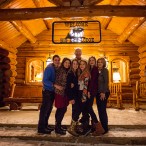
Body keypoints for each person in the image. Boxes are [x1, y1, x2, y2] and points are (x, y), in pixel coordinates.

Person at [38, 55, 60, 134]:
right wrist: (54, 85)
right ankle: (41, 128)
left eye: (58, 60)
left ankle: (45, 125)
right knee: (44, 110)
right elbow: (45, 81)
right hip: (47, 91)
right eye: (55, 60)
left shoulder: (56, 68)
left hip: (52, 91)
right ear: (53, 60)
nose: (57, 61)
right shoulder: (49, 68)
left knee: (49, 109)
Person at [87, 56, 105, 136]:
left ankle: (98, 127)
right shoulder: (90, 69)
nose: (91, 61)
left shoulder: (94, 69)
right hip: (90, 91)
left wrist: (89, 91)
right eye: (90, 60)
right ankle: (94, 126)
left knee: (89, 107)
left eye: (93, 60)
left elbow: (93, 81)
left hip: (92, 91)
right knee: (89, 107)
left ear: (95, 62)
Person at [54, 57, 71, 135]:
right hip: (60, 93)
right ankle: (57, 127)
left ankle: (58, 125)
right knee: (61, 109)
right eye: (66, 63)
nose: (67, 64)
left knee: (63, 109)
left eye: (68, 63)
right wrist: (57, 86)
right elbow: (57, 81)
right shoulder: (60, 71)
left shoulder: (67, 70)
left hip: (65, 93)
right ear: (63, 63)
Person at [76, 59, 91, 135]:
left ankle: (86, 129)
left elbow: (86, 86)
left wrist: (84, 97)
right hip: (80, 93)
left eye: (83, 64)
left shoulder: (86, 74)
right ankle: (85, 127)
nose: (81, 65)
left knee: (85, 112)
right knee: (84, 111)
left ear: (86, 66)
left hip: (83, 94)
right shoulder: (81, 73)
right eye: (80, 64)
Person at [96, 57, 110, 134]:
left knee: (102, 110)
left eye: (101, 62)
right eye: (98, 62)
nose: (99, 63)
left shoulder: (105, 70)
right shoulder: (97, 71)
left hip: (103, 92)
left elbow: (106, 82)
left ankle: (105, 128)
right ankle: (102, 127)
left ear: (103, 63)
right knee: (100, 110)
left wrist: (103, 92)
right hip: (98, 93)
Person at [66, 59, 80, 136]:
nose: (75, 65)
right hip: (73, 96)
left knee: (76, 111)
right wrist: (70, 98)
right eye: (74, 64)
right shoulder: (70, 73)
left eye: (76, 64)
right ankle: (71, 128)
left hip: (77, 95)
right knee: (76, 110)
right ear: (71, 65)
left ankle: (74, 127)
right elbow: (68, 87)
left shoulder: (76, 73)